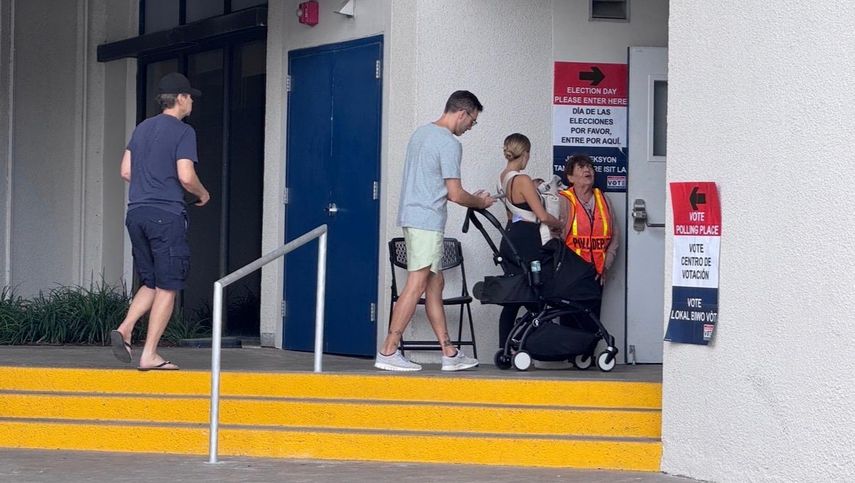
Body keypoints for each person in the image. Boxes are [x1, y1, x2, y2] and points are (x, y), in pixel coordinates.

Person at [375, 90, 495, 372]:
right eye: (473, 122)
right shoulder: (450, 143)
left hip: (414, 216)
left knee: (434, 284)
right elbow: (454, 194)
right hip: (426, 221)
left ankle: (448, 352)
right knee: (416, 283)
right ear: (462, 113)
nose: (470, 128)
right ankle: (389, 350)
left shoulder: (421, 134)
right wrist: (481, 201)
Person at [109, 72, 210, 371]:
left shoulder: (142, 128)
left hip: (136, 213)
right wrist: (203, 193)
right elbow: (186, 176)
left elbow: (125, 171)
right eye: (189, 96)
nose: (192, 101)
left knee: (151, 280)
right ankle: (149, 354)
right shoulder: (183, 131)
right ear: (180, 98)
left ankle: (126, 327)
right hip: (165, 216)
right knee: (168, 285)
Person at [496, 133, 562, 347]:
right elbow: (541, 215)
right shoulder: (522, 180)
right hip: (528, 241)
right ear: (525, 154)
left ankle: (505, 345)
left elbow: (511, 214)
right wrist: (560, 224)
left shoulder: (502, 178)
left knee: (514, 294)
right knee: (538, 292)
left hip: (510, 238)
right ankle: (536, 343)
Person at [557, 154, 619, 327]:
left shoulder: (604, 199)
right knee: (569, 323)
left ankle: (588, 354)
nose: (587, 170)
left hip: (595, 274)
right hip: (570, 275)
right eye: (581, 167)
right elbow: (553, 236)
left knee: (592, 324)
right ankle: (569, 355)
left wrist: (606, 263)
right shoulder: (563, 201)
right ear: (570, 177)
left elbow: (615, 236)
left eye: (590, 167)